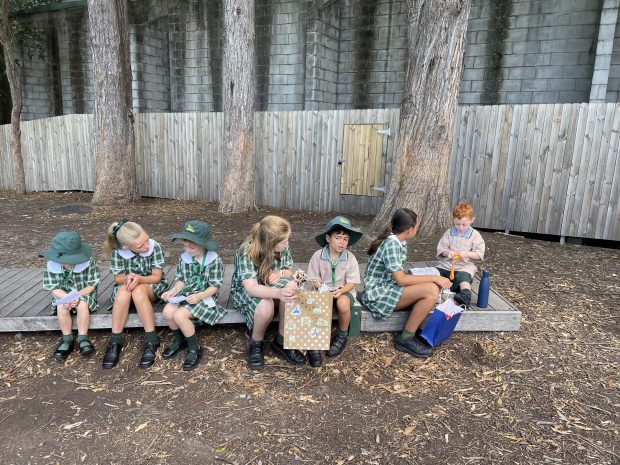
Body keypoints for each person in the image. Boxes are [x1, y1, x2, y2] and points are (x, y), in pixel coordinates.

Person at [361, 208, 451, 358]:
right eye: (417, 227)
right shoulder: (391, 244)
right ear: (410, 230)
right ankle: (405, 339)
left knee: (431, 288)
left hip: (389, 286)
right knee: (431, 290)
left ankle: (417, 330)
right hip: (377, 294)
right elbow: (401, 279)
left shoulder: (398, 241)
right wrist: (434, 277)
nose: (417, 229)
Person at [230, 215, 302, 370]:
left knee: (291, 288)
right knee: (266, 305)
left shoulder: (282, 247)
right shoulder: (247, 251)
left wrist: (280, 273)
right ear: (270, 243)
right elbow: (251, 288)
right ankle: (256, 343)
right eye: (284, 241)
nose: (287, 243)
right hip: (246, 290)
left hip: (270, 284)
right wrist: (278, 294)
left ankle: (282, 341)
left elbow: (289, 270)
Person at [160, 221, 226, 371]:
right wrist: (173, 291)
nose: (187, 250)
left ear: (203, 245)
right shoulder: (185, 258)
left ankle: (194, 348)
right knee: (168, 311)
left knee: (180, 315)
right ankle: (180, 340)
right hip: (187, 295)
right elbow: (181, 281)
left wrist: (200, 296)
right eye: (185, 246)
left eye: (191, 247)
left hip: (205, 297)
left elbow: (215, 286)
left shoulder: (213, 260)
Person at [102, 220, 168, 369]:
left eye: (146, 240)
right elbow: (118, 278)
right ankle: (115, 340)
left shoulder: (154, 247)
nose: (146, 246)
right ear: (126, 246)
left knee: (139, 291)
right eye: (140, 246)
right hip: (127, 286)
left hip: (151, 285)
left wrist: (140, 279)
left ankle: (151, 339)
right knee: (123, 291)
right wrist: (129, 278)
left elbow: (156, 277)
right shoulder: (118, 252)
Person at [307, 216, 362, 359]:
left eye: (345, 239)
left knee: (343, 304)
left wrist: (341, 291)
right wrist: (323, 289)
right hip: (321, 289)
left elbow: (351, 283)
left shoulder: (350, 258)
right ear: (328, 238)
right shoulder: (318, 256)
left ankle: (342, 335)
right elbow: (314, 279)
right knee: (316, 304)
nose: (342, 242)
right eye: (338, 238)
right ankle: (315, 339)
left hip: (343, 291)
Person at [40, 231, 100, 362]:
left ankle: (83, 337)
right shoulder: (51, 265)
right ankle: (67, 339)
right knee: (61, 306)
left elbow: (91, 285)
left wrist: (77, 296)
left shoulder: (89, 263)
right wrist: (66, 297)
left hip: (84, 293)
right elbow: (54, 288)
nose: (66, 263)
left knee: (82, 305)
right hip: (63, 295)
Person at [436, 201, 486, 308]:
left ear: (472, 220)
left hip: (464, 266)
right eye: (457, 224)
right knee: (436, 273)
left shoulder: (475, 235)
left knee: (463, 277)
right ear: (453, 220)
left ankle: (465, 294)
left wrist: (467, 254)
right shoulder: (449, 232)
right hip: (448, 264)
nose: (461, 228)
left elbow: (479, 254)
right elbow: (441, 248)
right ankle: (432, 291)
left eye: (464, 224)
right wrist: (448, 253)